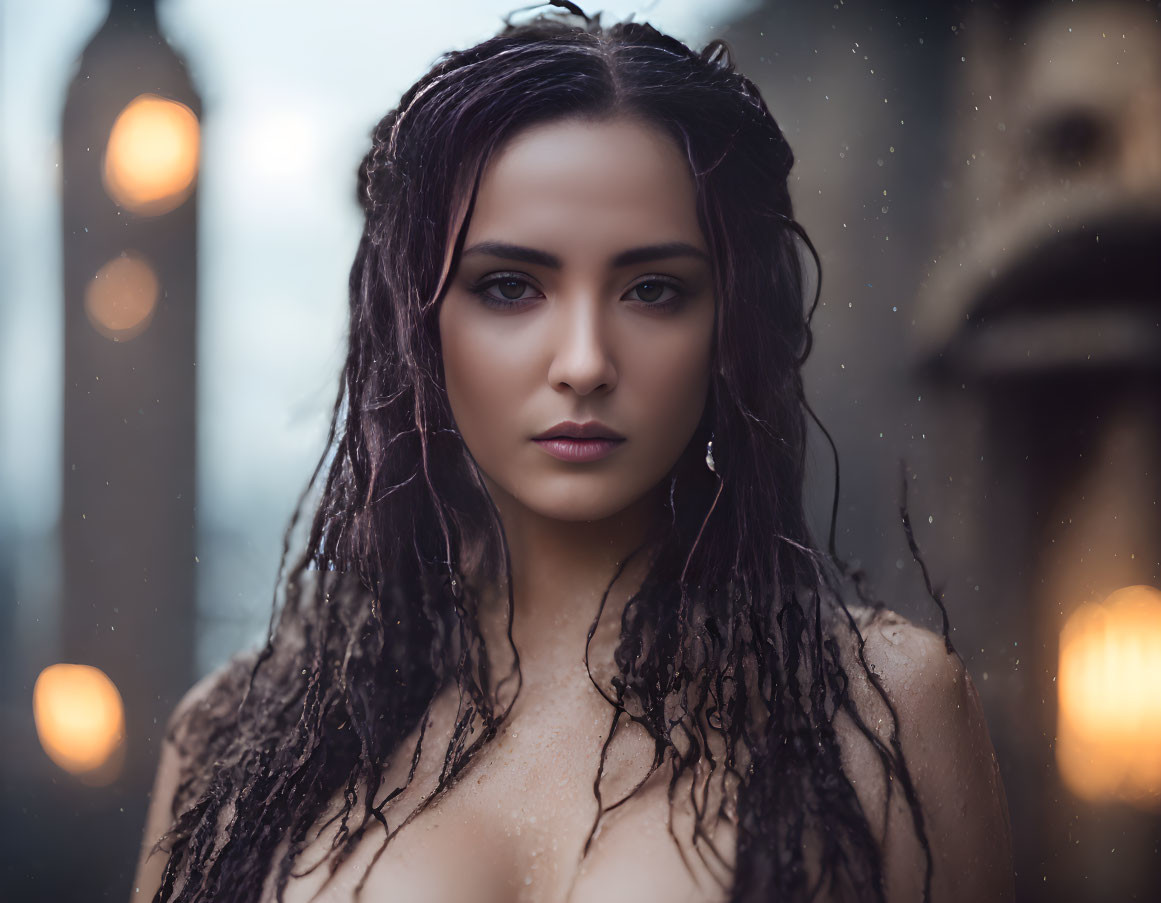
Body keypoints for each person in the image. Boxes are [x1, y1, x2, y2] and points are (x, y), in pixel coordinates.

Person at [132, 4, 1014, 902]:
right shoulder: (233, 738)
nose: (586, 361)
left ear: (729, 326)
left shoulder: (887, 711)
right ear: (417, 326)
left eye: (653, 289)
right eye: (510, 286)